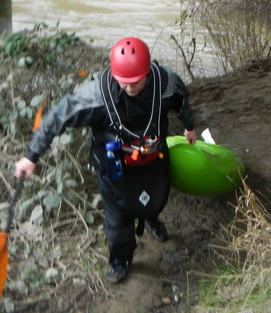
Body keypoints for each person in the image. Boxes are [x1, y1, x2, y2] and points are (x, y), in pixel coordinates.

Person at [14, 37, 197, 283]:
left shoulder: (166, 83)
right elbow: (58, 117)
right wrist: (31, 156)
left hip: (153, 158)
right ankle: (120, 260)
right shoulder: (96, 95)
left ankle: (150, 217)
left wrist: (190, 128)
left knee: (156, 197)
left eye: (137, 81)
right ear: (114, 73)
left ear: (148, 73)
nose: (131, 87)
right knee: (118, 217)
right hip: (115, 166)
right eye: (125, 82)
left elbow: (182, 101)